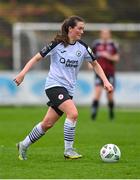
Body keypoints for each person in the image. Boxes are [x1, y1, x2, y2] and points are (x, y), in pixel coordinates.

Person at [14, 16, 113, 161]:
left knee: (47, 124)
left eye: (83, 28)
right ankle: (69, 150)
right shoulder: (56, 44)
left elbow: (95, 64)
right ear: (70, 29)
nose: (82, 31)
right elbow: (36, 58)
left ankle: (23, 144)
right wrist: (22, 74)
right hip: (54, 86)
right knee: (73, 114)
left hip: (68, 90)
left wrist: (105, 81)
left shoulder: (83, 47)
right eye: (79, 28)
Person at [89, 29, 120, 120]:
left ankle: (111, 113)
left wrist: (108, 56)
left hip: (110, 73)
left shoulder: (113, 45)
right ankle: (93, 115)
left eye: (107, 34)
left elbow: (117, 58)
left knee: (110, 95)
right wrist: (89, 65)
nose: (105, 35)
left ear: (109, 35)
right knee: (97, 93)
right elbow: (90, 56)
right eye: (103, 33)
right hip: (99, 73)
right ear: (101, 35)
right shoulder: (96, 44)